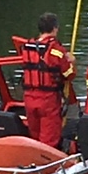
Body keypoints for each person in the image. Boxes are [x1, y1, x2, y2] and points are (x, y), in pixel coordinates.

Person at [20, 12, 77, 149]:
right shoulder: (56, 51)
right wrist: (72, 62)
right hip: (48, 101)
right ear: (55, 29)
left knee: (34, 138)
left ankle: (32, 162)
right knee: (48, 142)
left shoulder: (27, 48)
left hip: (29, 99)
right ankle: (47, 168)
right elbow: (69, 74)